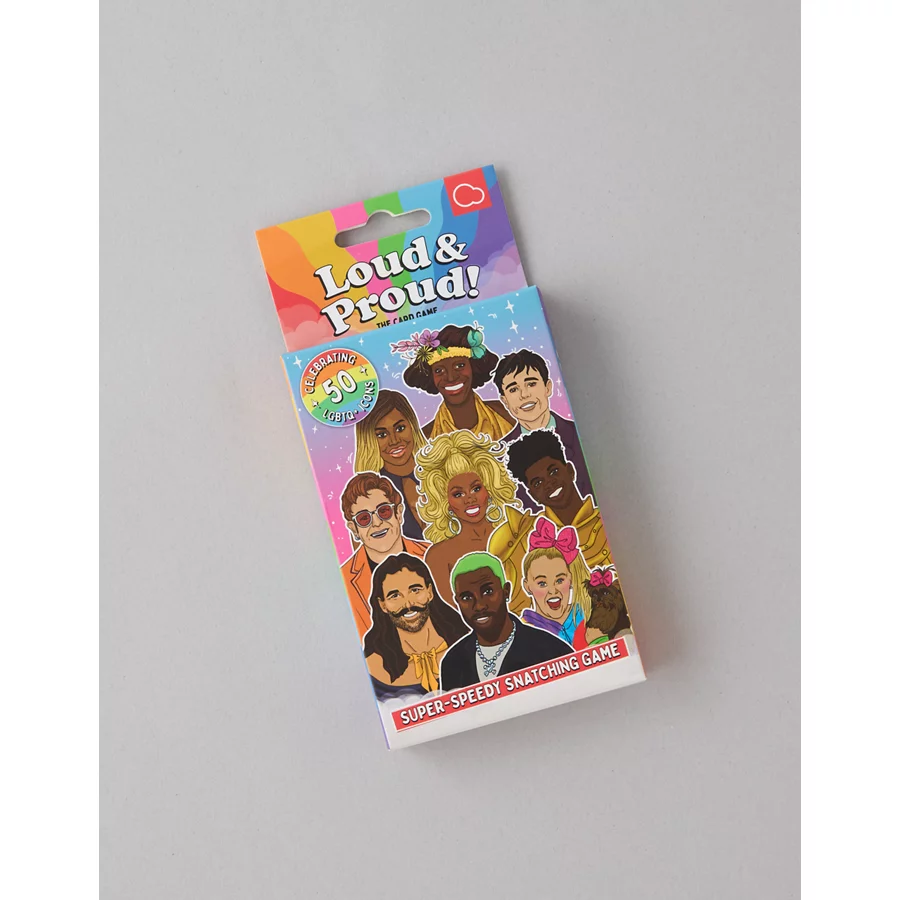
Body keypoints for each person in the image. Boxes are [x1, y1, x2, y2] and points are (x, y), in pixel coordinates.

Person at [489, 430, 613, 614]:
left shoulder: (610, 520)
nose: (549, 483)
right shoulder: (524, 540)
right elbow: (519, 610)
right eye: (538, 483)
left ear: (570, 471)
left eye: (554, 472)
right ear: (532, 494)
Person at [415, 430, 521, 605]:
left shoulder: (516, 534)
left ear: (490, 489)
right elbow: (453, 612)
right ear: (444, 502)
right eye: (458, 494)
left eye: (476, 489)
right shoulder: (438, 556)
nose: (469, 499)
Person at [440, 552, 573, 691]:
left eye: (488, 591)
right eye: (466, 598)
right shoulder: (453, 662)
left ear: (506, 591)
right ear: (457, 603)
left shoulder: (551, 651)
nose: (479, 606)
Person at [492, 349, 594, 508]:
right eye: (513, 389)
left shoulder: (579, 434)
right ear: (504, 400)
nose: (524, 395)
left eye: (531, 384)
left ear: (548, 387)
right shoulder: (497, 457)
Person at [363, 553, 468, 702]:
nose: (408, 604)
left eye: (415, 590)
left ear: (429, 592)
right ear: (383, 605)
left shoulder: (467, 645)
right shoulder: (373, 667)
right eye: (395, 596)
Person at [339, 473, 429, 641]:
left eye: (384, 511)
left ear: (399, 513)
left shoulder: (432, 555)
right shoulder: (343, 581)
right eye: (364, 518)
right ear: (354, 529)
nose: (377, 523)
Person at [393, 324, 514, 440]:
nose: (451, 378)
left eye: (459, 366)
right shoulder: (426, 437)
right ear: (431, 377)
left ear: (473, 367)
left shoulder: (508, 413)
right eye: (439, 370)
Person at [354, 389, 428, 540]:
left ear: (412, 425)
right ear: (368, 440)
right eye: (382, 435)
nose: (394, 441)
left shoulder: (442, 468)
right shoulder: (370, 493)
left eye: (400, 428)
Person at [520, 518, 592, 646]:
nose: (553, 591)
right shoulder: (525, 630)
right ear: (527, 586)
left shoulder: (589, 613)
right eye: (542, 583)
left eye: (559, 580)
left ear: (570, 579)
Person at [572, 565, 633, 647]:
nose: (598, 599)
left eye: (605, 593)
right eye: (594, 595)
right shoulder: (583, 627)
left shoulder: (625, 629)